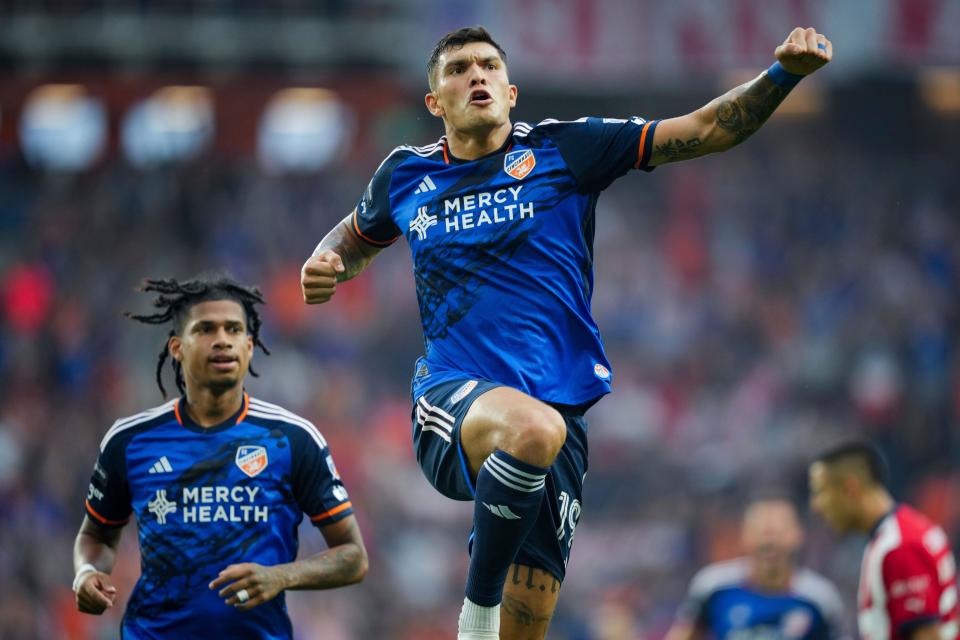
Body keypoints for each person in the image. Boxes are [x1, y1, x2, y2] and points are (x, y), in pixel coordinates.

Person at [301, 25, 832, 640]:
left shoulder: (566, 149)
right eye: (458, 69)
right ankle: (475, 616)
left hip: (561, 419)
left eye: (489, 66)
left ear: (511, 89)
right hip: (453, 395)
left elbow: (707, 128)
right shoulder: (404, 175)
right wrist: (329, 260)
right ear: (434, 102)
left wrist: (782, 74)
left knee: (528, 625)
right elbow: (354, 236)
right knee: (532, 430)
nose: (477, 76)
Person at [72, 276, 367, 639]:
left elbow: (353, 556)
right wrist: (86, 572)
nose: (223, 340)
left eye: (233, 329)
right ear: (177, 347)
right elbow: (97, 535)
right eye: (206, 329)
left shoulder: (292, 439)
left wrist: (281, 576)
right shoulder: (130, 441)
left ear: (249, 345)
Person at [809, 440, 959, 640]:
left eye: (822, 492)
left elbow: (927, 635)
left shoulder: (898, 546)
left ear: (850, 488)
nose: (816, 506)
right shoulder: (899, 533)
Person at [665, 496, 844, 640]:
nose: (770, 542)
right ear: (745, 536)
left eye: (778, 534)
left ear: (797, 536)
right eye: (763, 534)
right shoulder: (713, 587)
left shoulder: (820, 598)